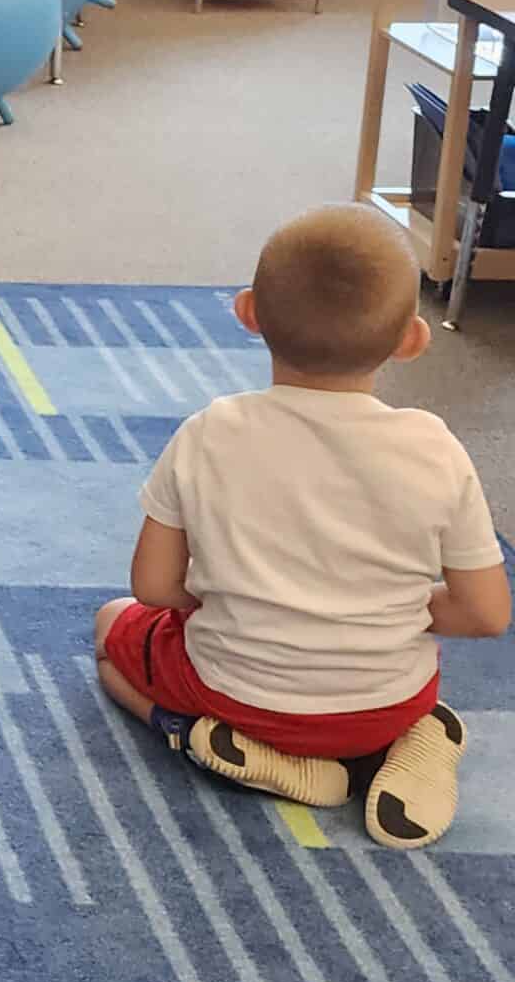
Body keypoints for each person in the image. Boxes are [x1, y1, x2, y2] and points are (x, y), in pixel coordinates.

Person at [91, 204, 507, 850]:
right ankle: (411, 739)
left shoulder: (210, 432)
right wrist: (400, 608)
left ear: (248, 312)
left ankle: (186, 733)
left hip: (234, 697)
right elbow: (487, 614)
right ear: (413, 340)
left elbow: (150, 584)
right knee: (399, 687)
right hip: (387, 702)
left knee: (108, 630)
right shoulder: (436, 448)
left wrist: (223, 595)